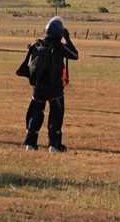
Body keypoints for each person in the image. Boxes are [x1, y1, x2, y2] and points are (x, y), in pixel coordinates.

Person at [17, 16, 78, 152]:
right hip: (55, 89)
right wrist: (67, 38)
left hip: (38, 88)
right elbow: (74, 54)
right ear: (59, 32)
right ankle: (54, 145)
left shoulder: (37, 45)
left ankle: (30, 144)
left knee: (35, 114)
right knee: (56, 115)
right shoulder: (59, 47)